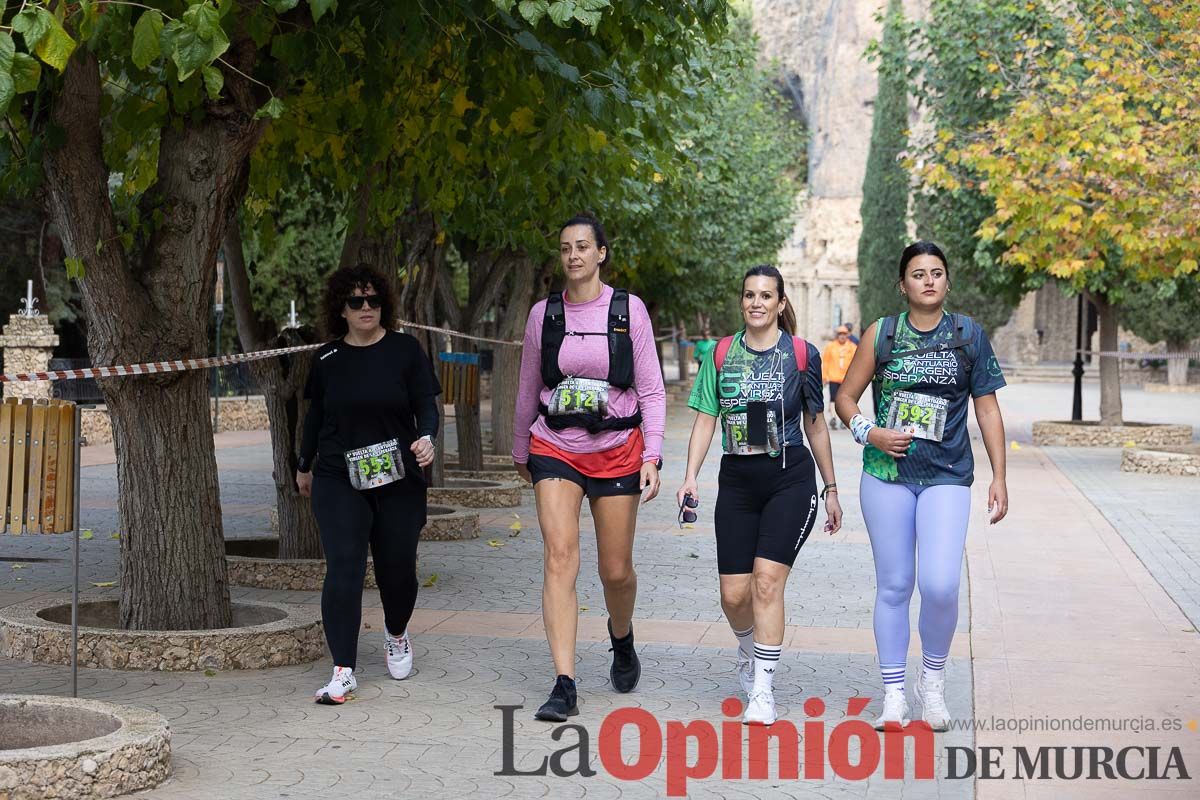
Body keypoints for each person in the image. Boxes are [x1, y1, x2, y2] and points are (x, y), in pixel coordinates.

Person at [834, 241, 1008, 731]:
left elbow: (988, 407)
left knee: (940, 585)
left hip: (947, 475)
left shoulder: (966, 334)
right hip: (886, 475)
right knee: (894, 586)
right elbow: (845, 397)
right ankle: (893, 694)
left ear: (947, 281)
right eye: (917, 273)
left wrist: (999, 474)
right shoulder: (882, 334)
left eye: (936, 272)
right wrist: (870, 432)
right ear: (902, 284)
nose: (928, 280)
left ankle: (931, 684)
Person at [512, 212, 667, 721]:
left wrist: (653, 454)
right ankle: (564, 683)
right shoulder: (544, 315)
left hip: (618, 446)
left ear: (601, 253)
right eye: (564, 248)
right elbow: (528, 385)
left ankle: (621, 640)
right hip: (554, 445)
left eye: (582, 246)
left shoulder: (629, 310)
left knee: (615, 570)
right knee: (560, 558)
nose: (573, 255)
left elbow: (650, 388)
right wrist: (520, 449)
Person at [676, 265, 843, 725]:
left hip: (789, 478)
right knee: (733, 596)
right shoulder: (720, 353)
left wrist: (831, 489)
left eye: (766, 296)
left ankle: (763, 691)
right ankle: (750, 653)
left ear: (780, 303)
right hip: (737, 481)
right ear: (742, 301)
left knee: (767, 582)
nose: (756, 303)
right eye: (749, 295)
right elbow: (706, 418)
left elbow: (815, 425)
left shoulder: (802, 355)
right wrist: (690, 475)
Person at [296, 264, 441, 705]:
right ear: (340, 308)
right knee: (344, 566)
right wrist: (304, 465)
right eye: (356, 301)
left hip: (398, 475)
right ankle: (343, 669)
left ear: (384, 306)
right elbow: (314, 418)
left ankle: (396, 632)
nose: (365, 308)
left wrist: (427, 439)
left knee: (397, 568)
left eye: (373, 300)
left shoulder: (405, 351)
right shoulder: (325, 359)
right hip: (339, 476)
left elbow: (426, 408)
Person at [821, 325, 858, 429]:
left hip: (847, 379)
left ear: (847, 335)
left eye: (844, 334)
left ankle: (844, 419)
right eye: (840, 334)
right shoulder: (831, 346)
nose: (842, 336)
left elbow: (856, 363)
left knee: (845, 399)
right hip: (833, 377)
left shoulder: (852, 347)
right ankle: (833, 417)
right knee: (833, 399)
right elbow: (826, 362)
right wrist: (824, 376)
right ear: (837, 335)